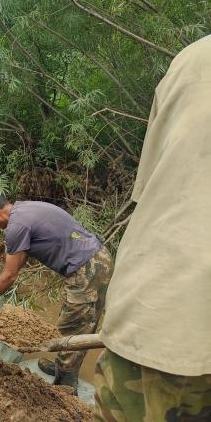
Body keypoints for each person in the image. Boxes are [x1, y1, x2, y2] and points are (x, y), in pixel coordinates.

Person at [94, 37, 211, 421]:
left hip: (154, 305)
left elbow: (150, 191)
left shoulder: (191, 59)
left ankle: (61, 374)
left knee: (74, 314)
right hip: (166, 315)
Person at [0, 193, 113, 394]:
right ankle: (62, 366)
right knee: (74, 320)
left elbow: (11, 275)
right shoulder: (25, 209)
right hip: (97, 258)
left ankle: (65, 385)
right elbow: (19, 258)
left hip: (86, 269)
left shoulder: (16, 227)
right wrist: (3, 277)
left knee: (73, 327)